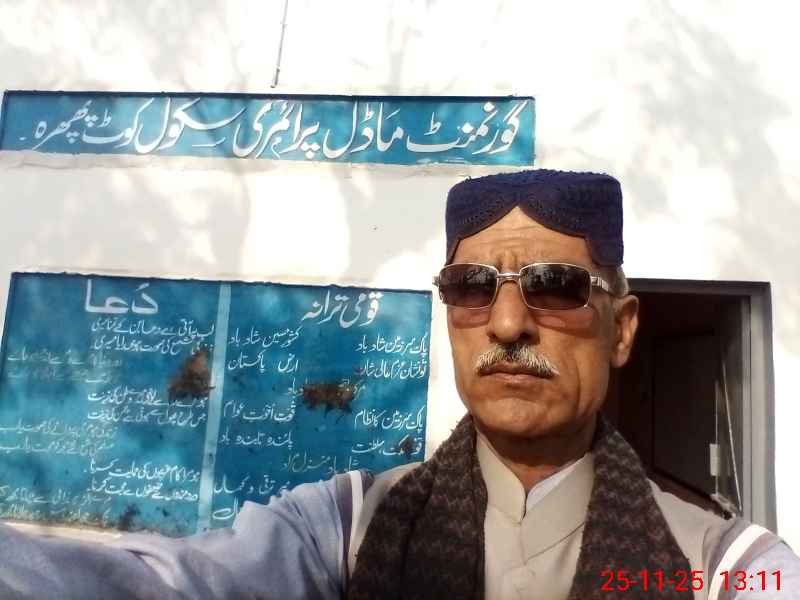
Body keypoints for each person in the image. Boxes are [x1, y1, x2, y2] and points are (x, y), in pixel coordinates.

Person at [0, 169, 796, 599]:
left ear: (620, 329)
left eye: (554, 286)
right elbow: (169, 584)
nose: (508, 324)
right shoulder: (346, 528)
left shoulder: (725, 566)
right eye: (472, 288)